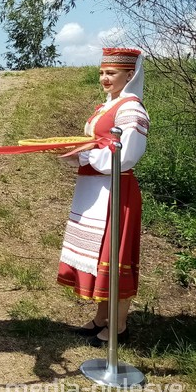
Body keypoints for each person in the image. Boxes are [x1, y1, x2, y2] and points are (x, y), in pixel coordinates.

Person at [57, 48, 149, 347]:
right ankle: (101, 317)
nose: (105, 78)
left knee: (115, 257)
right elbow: (96, 145)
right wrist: (75, 153)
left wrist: (85, 153)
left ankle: (119, 325)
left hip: (116, 192)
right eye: (102, 72)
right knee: (100, 259)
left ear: (129, 74)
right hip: (95, 189)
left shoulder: (132, 108)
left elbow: (127, 154)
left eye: (111, 73)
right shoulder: (105, 106)